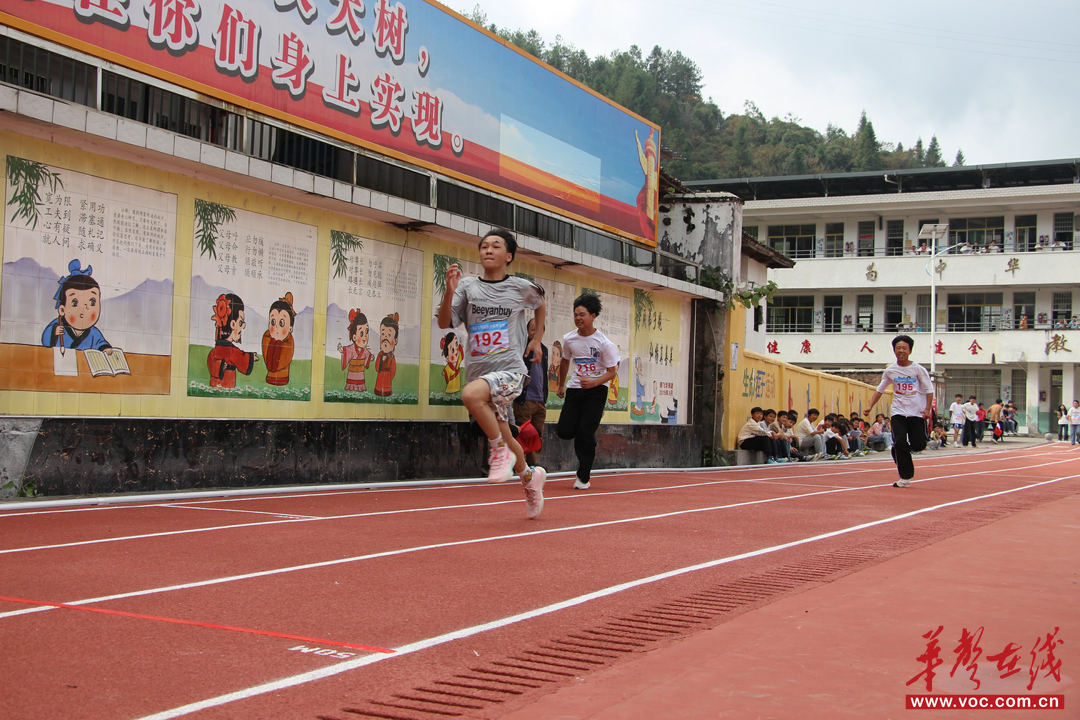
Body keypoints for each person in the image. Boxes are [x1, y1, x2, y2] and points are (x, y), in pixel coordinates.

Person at [437, 228, 547, 519]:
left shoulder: (520, 287)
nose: (488, 250)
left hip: (510, 370)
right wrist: (449, 292)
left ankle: (497, 452)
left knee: (471, 395)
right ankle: (529, 478)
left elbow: (540, 303)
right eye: (484, 246)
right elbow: (444, 322)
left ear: (508, 255)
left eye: (495, 246)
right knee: (506, 433)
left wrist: (536, 339)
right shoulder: (468, 286)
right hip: (479, 371)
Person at [556, 293, 621, 489]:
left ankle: (583, 477)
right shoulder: (569, 339)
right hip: (575, 389)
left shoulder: (604, 343)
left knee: (585, 433)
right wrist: (560, 384)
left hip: (596, 390)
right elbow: (566, 360)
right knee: (564, 431)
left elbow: (612, 372)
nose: (578, 318)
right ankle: (588, 423)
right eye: (575, 314)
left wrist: (593, 383)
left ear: (593, 316)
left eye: (582, 314)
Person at [865, 334, 934, 488]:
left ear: (909, 350)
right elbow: (880, 390)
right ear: (894, 350)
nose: (901, 351)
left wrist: (928, 408)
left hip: (917, 413)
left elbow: (929, 389)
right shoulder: (890, 371)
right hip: (898, 412)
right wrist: (870, 406)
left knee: (918, 445)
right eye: (898, 348)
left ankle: (900, 451)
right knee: (900, 441)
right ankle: (905, 477)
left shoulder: (918, 369)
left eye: (904, 348)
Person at [513, 318, 549, 467]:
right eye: (532, 329)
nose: (535, 332)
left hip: (540, 400)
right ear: (527, 331)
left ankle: (533, 464)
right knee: (521, 433)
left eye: (538, 329)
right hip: (525, 399)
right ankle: (519, 465)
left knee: (537, 433)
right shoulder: (522, 347)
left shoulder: (545, 350)